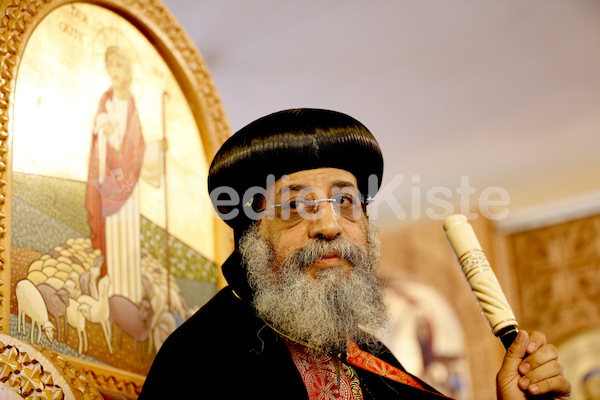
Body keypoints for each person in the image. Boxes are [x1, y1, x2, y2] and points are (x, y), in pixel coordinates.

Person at [138, 109, 570, 399]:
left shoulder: (366, 353)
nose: (330, 226)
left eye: (346, 202)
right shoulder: (201, 361)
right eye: (295, 206)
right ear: (251, 236)